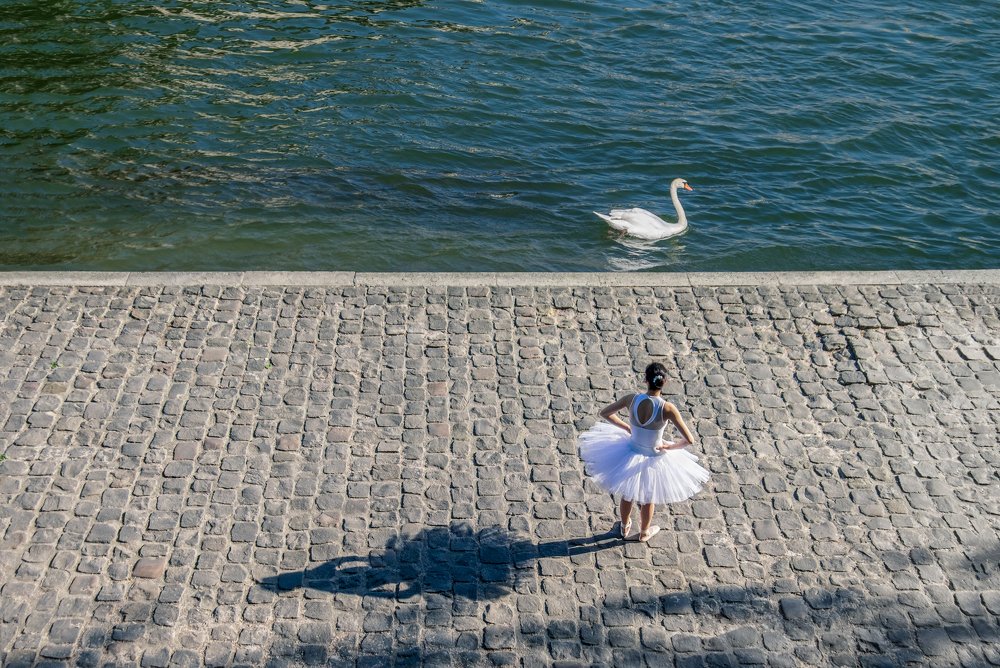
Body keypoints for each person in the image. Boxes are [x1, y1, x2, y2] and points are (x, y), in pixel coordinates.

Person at [578, 362, 709, 542]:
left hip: (630, 450)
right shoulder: (667, 408)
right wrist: (668, 447)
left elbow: (605, 413)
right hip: (653, 456)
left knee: (627, 493)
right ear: (665, 382)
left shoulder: (631, 399)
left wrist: (627, 427)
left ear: (645, 379)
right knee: (649, 497)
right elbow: (689, 440)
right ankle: (645, 531)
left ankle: (624, 527)